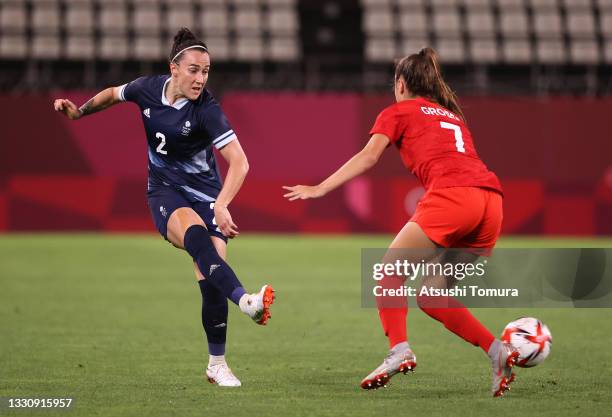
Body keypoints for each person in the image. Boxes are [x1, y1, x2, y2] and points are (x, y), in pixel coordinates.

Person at [283, 48, 518, 397]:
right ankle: (497, 352)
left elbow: (369, 156)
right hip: (491, 204)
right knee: (432, 296)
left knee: (388, 273)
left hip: (454, 197)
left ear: (402, 83)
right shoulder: (451, 116)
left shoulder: (398, 111)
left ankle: (399, 350)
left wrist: (320, 187)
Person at [53, 28, 275, 388]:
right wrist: (80, 113)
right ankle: (247, 301)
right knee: (198, 239)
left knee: (211, 276)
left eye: (206, 71)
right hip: (165, 192)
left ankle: (216, 365)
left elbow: (241, 162)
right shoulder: (146, 89)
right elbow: (113, 93)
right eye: (193, 70)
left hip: (206, 194)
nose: (200, 78)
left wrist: (220, 204)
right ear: (173, 68)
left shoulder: (208, 110)